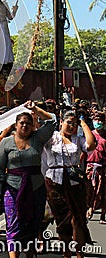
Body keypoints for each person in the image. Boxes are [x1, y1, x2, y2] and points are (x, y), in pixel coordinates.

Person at [0, 101, 56, 258]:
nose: (25, 126)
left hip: (36, 187)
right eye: (22, 123)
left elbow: (52, 120)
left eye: (28, 123)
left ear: (33, 125)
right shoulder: (6, 143)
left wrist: (35, 109)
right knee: (13, 223)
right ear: (15, 125)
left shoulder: (38, 138)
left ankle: (30, 254)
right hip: (12, 188)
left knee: (33, 223)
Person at [42, 110, 96, 258]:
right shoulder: (51, 137)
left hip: (74, 183)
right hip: (54, 183)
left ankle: (79, 252)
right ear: (61, 122)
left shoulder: (78, 139)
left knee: (77, 218)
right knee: (62, 220)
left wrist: (83, 123)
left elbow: (91, 145)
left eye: (74, 123)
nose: (72, 126)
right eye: (69, 122)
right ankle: (66, 252)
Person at [86, 111, 106, 223]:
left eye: (100, 120)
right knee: (90, 190)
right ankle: (89, 209)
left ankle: (102, 215)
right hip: (90, 166)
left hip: (103, 167)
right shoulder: (90, 134)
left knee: (102, 192)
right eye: (95, 119)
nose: (97, 122)